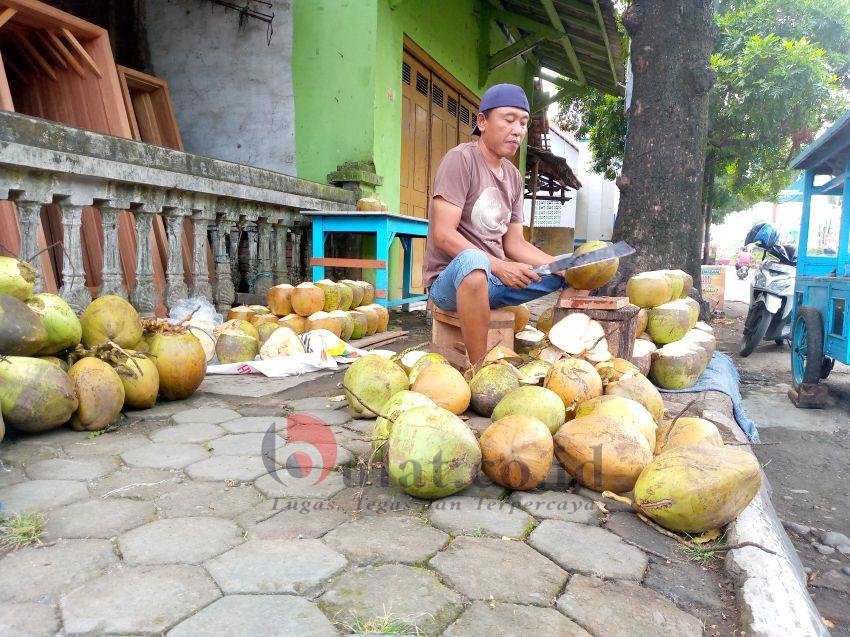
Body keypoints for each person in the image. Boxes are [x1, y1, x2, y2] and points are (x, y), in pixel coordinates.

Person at [423, 83, 583, 368]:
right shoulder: (460, 160)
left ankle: (565, 363)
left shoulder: (512, 175)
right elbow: (443, 235)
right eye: (508, 120)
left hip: (496, 281)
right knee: (473, 262)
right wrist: (498, 265)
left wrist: (560, 264)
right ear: (482, 122)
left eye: (522, 123)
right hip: (452, 281)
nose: (518, 130)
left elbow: (515, 244)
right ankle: (481, 371)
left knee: (577, 271)